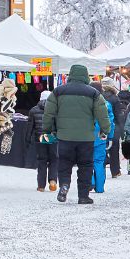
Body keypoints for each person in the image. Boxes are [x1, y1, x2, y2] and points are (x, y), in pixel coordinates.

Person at [42, 64, 110, 204]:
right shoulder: (94, 93)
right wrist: (105, 130)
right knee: (85, 166)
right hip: (86, 138)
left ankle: (64, 186)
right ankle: (83, 196)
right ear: (86, 76)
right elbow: (103, 115)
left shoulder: (58, 92)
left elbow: (48, 113)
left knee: (64, 164)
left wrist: (47, 130)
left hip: (64, 137)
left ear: (70, 75)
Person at [26, 91, 58, 192]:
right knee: (53, 160)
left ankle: (41, 186)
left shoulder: (33, 110)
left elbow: (30, 127)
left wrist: (27, 139)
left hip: (40, 138)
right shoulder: (56, 110)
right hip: (52, 137)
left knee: (42, 161)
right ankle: (52, 181)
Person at [101, 78, 126, 178]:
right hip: (114, 126)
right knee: (114, 149)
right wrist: (122, 128)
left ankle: (100, 168)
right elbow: (118, 115)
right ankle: (115, 171)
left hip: (101, 126)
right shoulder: (115, 98)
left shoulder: (98, 96)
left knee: (101, 147)